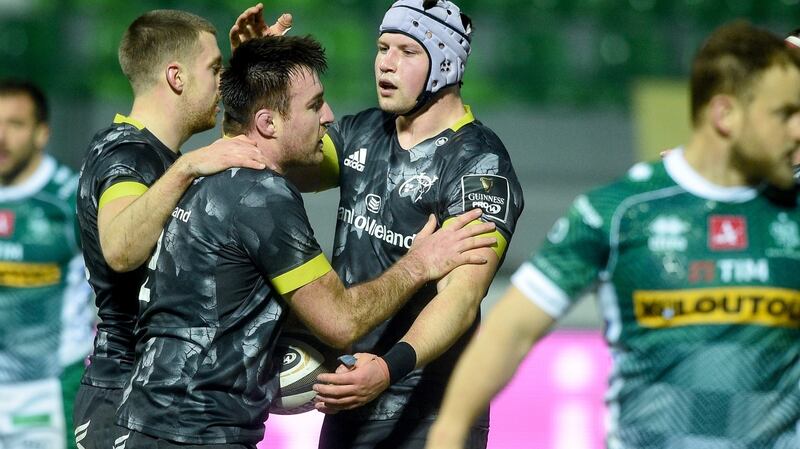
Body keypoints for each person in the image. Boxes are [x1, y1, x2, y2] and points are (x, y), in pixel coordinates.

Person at [426, 21, 800, 449]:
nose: (795, 130)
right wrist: (448, 432)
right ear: (726, 114)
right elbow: (511, 331)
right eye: (785, 113)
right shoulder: (621, 211)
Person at [114, 35, 496, 449]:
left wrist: (257, 59)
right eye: (314, 105)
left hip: (149, 416)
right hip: (196, 431)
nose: (329, 116)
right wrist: (419, 263)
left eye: (405, 51)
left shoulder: (210, 174)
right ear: (267, 123)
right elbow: (340, 321)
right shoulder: (262, 195)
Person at [230, 1, 524, 447]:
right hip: (352, 400)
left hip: (430, 415)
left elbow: (462, 300)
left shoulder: (480, 167)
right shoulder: (365, 130)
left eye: (406, 51)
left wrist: (390, 368)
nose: (385, 63)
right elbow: (273, 154)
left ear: (446, 64)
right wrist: (258, 82)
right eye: (382, 47)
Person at [72, 8, 291, 449]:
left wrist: (255, 71)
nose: (220, 81)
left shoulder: (141, 148)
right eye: (214, 69)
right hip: (122, 399)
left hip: (151, 399)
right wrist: (188, 168)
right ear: (176, 77)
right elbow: (119, 247)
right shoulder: (130, 156)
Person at [0, 79, 93, 449]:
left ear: (41, 134)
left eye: (15, 124)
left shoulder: (71, 199)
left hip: (48, 391)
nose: (1, 136)